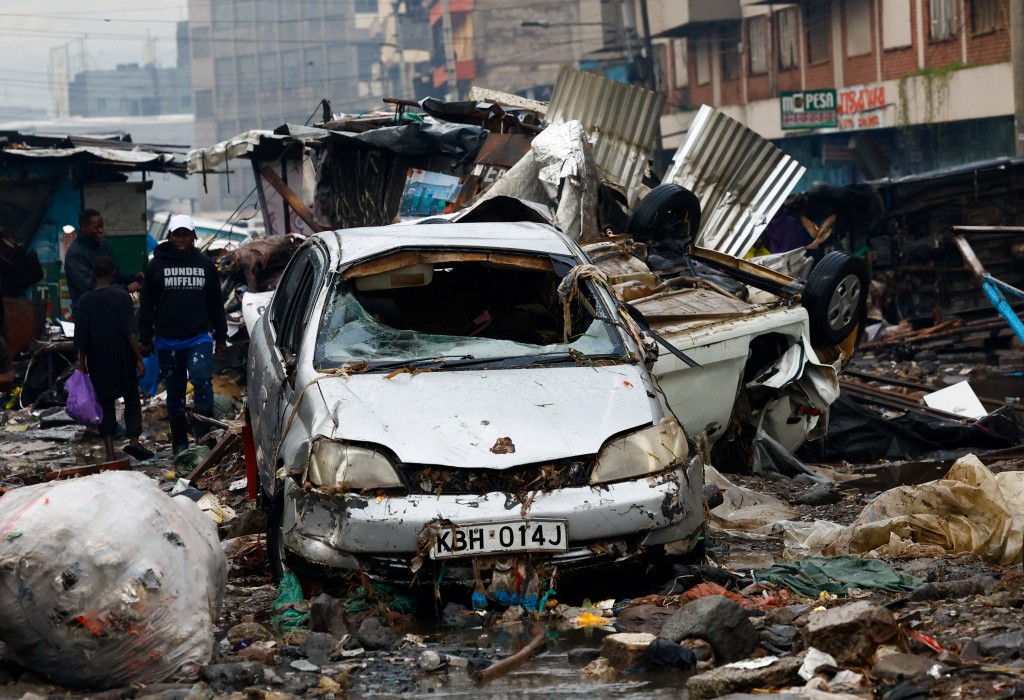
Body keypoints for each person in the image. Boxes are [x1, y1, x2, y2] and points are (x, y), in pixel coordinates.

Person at [138, 214, 228, 455]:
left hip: (199, 337)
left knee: (201, 382)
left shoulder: (205, 264)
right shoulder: (156, 265)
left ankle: (205, 439)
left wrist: (221, 336)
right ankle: (180, 445)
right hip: (167, 341)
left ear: (193, 236)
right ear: (169, 235)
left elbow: (215, 303)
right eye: (177, 234)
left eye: (185, 234)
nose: (181, 238)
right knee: (175, 393)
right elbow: (146, 304)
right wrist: (144, 339)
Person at [74, 256, 154, 463]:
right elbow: (130, 333)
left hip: (98, 360)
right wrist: (138, 359)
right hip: (122, 358)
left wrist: (82, 365)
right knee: (131, 400)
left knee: (105, 404)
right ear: (112, 273)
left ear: (93, 274)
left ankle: (109, 451)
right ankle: (134, 442)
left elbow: (81, 337)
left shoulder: (85, 300)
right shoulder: (121, 297)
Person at [65, 209, 143, 319]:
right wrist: (126, 289)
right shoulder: (75, 255)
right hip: (88, 316)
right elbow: (91, 287)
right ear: (83, 227)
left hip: (110, 311)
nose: (101, 230)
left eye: (102, 226)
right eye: (96, 227)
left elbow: (116, 275)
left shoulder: (103, 245)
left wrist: (134, 277)